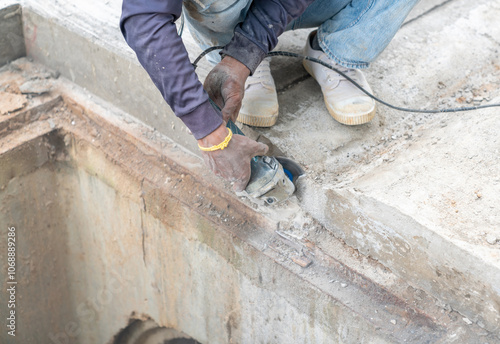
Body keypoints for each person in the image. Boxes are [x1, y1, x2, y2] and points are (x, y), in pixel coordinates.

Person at [120, 0, 419, 191]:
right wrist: (210, 133)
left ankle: (337, 53)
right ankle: (230, 47)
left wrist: (246, 51)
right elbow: (144, 21)